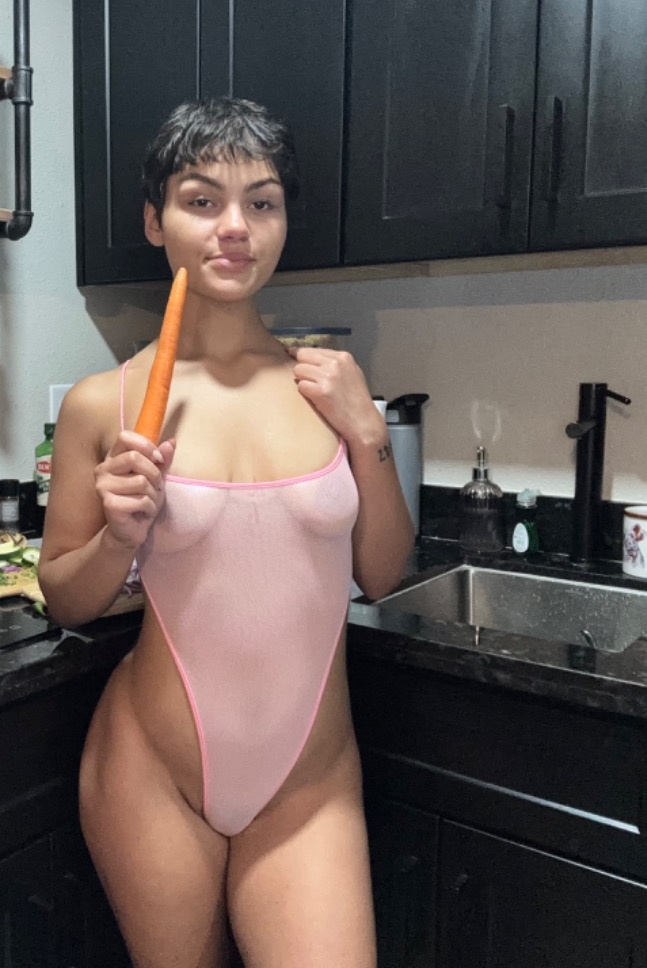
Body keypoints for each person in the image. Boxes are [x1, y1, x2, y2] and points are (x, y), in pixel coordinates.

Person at [38, 96, 415, 968]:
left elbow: (384, 573)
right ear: (155, 221)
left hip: (310, 783)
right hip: (151, 775)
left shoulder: (329, 387)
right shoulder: (106, 403)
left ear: (283, 222)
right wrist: (117, 538)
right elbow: (65, 598)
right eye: (202, 200)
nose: (234, 227)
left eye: (262, 201)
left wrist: (369, 436)